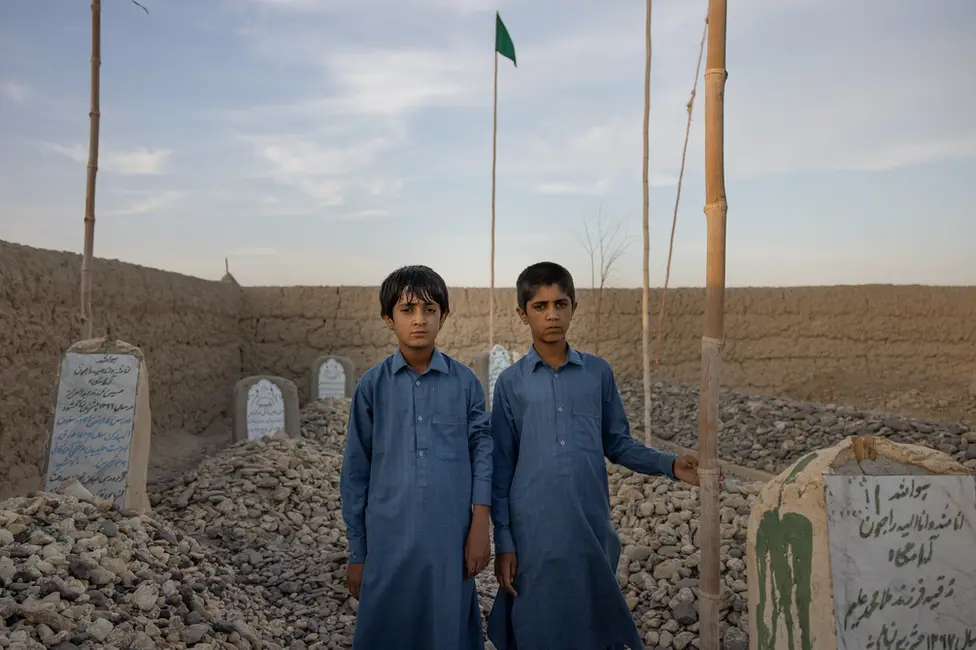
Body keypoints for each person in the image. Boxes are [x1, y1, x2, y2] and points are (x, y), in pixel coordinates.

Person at [487, 261, 702, 650]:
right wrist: (504, 541)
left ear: (574, 306)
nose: (552, 314)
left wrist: (670, 465)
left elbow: (617, 443)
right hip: (532, 528)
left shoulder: (597, 373)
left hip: (590, 520)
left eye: (561, 303)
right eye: (540, 306)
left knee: (592, 618)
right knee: (536, 617)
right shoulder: (511, 383)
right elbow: (500, 468)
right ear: (523, 314)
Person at [340, 265, 492, 650]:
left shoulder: (465, 382)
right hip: (388, 538)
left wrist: (479, 529)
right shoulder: (372, 386)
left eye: (429, 309)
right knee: (386, 629)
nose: (419, 320)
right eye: (407, 310)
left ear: (444, 315)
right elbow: (356, 471)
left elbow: (482, 457)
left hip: (449, 537)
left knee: (447, 626)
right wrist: (358, 552)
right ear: (388, 319)